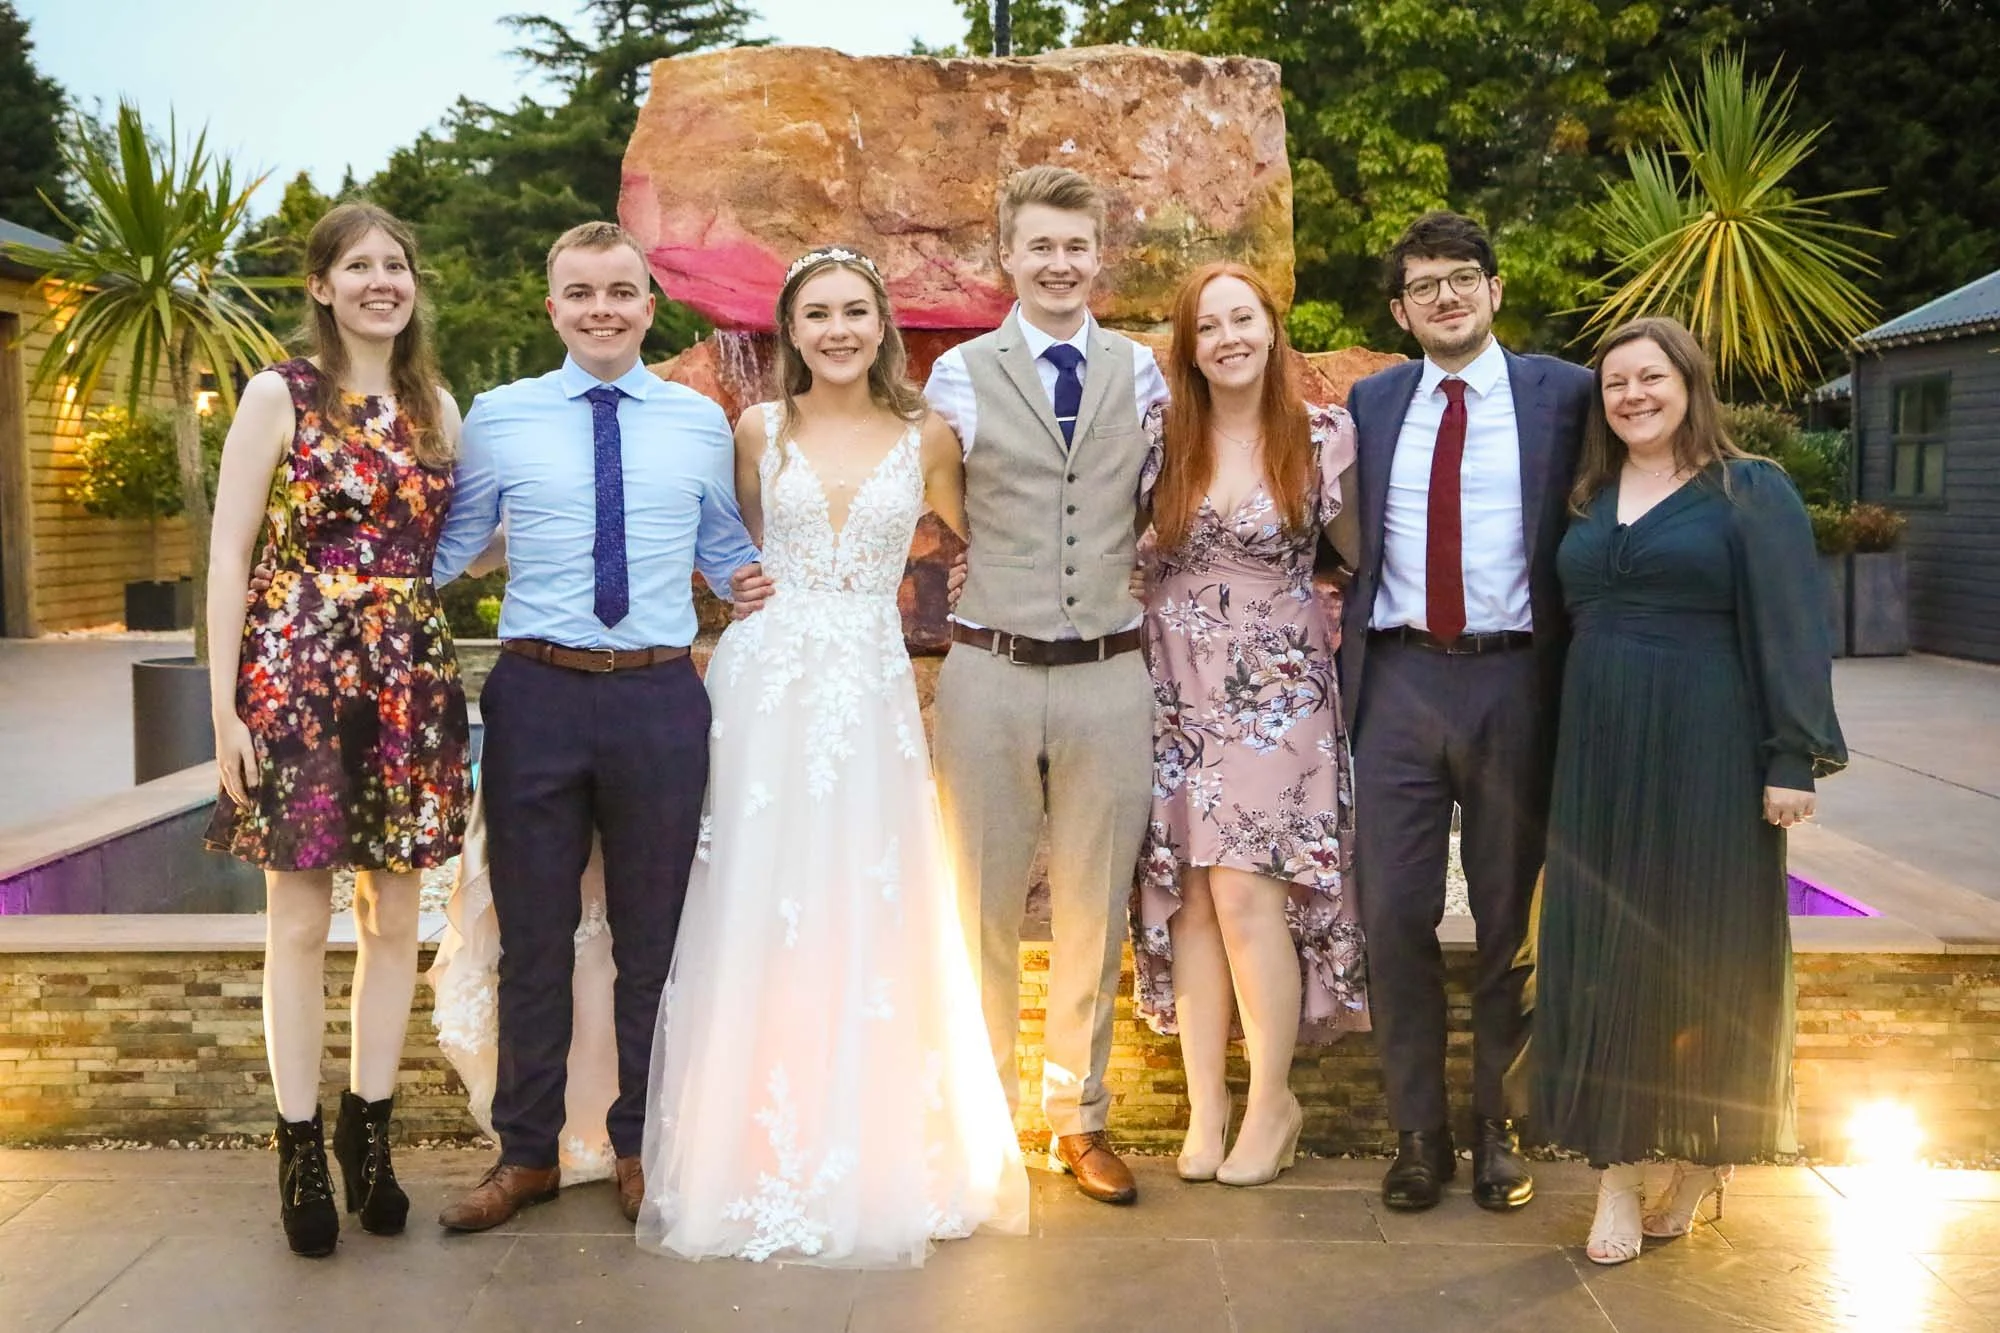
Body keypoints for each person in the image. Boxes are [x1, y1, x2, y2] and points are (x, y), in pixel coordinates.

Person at [635, 246, 1029, 1267]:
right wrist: (729, 584)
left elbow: (995, 541)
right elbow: (724, 543)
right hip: (766, 685)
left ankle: (876, 1142)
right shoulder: (758, 430)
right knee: (759, 897)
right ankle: (751, 1148)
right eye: (818, 314)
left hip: (869, 683)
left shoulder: (926, 435)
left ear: (881, 325)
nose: (838, 329)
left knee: (870, 893)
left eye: (855, 311)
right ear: (792, 330)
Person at [427, 221, 768, 1234]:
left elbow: (728, 551)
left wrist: (776, 581)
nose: (601, 310)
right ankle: (525, 1152)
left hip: (658, 699)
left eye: (620, 291)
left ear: (648, 306)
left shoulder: (700, 423)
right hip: (535, 694)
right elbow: (449, 549)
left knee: (652, 939)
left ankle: (640, 1144)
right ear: (553, 309)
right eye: (580, 293)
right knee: (531, 938)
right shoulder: (500, 416)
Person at [1531, 315, 1846, 1265]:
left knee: (1707, 955)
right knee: (1603, 953)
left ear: (1689, 383)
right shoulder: (1587, 494)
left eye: (1651, 378)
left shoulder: (1751, 489)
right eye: (1616, 383)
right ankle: (1616, 1176)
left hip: (1709, 739)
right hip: (1598, 748)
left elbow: (1793, 625)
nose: (1632, 395)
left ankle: (1703, 1161)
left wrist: (1791, 758)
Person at [205, 202, 470, 1257]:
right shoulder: (279, 394)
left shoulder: (436, 406)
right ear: (321, 286)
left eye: (395, 264)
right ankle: (300, 1142)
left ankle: (371, 1126)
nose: (380, 281)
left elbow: (456, 544)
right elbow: (229, 554)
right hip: (297, 673)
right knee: (300, 920)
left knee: (395, 917)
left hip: (407, 677)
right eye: (358, 266)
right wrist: (222, 709)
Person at [1338, 211, 1594, 1213]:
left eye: (1460, 278)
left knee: (1506, 920)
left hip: (1514, 680)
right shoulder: (1370, 402)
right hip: (1397, 680)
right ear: (1399, 312)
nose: (1443, 296)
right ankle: (1418, 1134)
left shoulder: (1565, 394)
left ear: (1494, 289)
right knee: (1392, 914)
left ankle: (1498, 1125)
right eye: (1422, 285)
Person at [924, 165, 1169, 1206]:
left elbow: (1154, 496)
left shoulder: (1143, 373)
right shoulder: (956, 376)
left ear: (1097, 256)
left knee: (1092, 907)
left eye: (1076, 245)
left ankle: (1077, 1117)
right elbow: (945, 501)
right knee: (976, 904)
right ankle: (981, 1122)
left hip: (1109, 674)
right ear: (1007, 257)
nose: (1059, 263)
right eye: (1040, 246)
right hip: (989, 665)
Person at [1132, 262, 1369, 1187]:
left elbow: (1363, 555)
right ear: (1188, 348)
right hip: (1174, 684)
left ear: (1271, 329)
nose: (1228, 338)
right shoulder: (1159, 437)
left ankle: (1272, 1100)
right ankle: (1207, 1105)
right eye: (1208, 326)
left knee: (1244, 891)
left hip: (1278, 691)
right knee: (1189, 892)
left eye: (1243, 319)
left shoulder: (1323, 437)